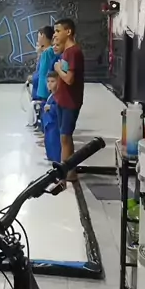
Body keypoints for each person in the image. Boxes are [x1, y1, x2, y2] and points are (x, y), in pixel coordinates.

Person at [53, 17, 85, 179]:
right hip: (62, 99)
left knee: (65, 137)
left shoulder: (74, 52)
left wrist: (58, 69)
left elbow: (69, 79)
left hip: (70, 102)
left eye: (58, 31)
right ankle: (70, 171)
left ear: (68, 32)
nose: (55, 34)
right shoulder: (66, 52)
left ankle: (64, 172)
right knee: (64, 137)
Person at [43, 71, 61, 163]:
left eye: (53, 81)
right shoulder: (51, 95)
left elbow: (61, 108)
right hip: (48, 125)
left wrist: (51, 107)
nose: (49, 84)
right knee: (48, 142)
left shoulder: (58, 96)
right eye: (48, 81)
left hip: (54, 125)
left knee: (54, 143)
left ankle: (57, 160)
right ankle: (50, 157)